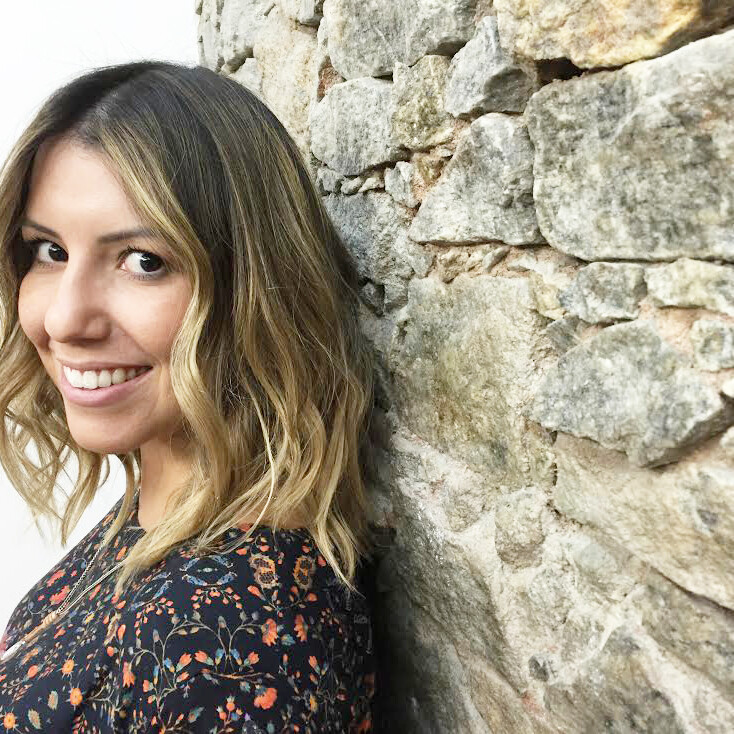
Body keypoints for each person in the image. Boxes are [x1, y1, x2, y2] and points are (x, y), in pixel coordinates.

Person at [0, 60, 377, 732]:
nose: (64, 319)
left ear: (254, 287)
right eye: (49, 251)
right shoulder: (169, 510)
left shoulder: (228, 643)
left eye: (144, 261)